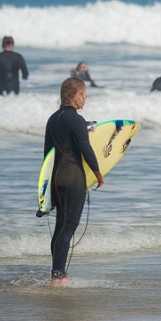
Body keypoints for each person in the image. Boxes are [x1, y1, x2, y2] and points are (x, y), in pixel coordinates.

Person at [44, 77, 103, 284]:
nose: (84, 99)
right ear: (70, 96)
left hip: (57, 177)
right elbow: (85, 148)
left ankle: (57, 272)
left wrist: (46, 187)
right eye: (81, 95)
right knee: (69, 226)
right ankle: (57, 276)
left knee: (61, 226)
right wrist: (98, 172)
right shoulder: (77, 119)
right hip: (73, 176)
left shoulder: (52, 119)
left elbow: (48, 154)